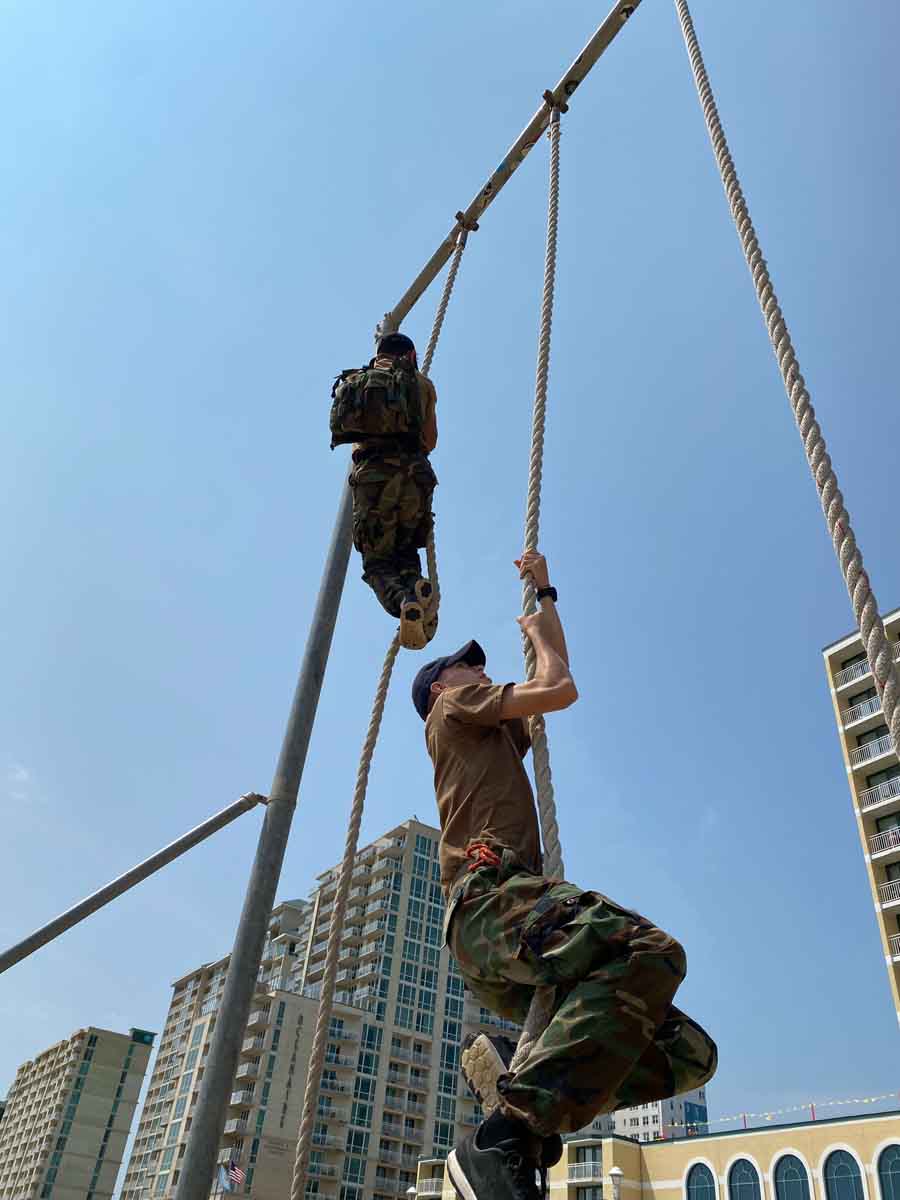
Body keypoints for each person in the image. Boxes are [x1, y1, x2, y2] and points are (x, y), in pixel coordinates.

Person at [411, 550, 717, 1200]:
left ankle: (522, 1102)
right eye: (467, 663)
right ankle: (507, 1134)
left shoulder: (490, 736)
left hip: (507, 932)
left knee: (688, 1053)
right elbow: (560, 686)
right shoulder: (453, 707)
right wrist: (540, 633)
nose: (480, 668)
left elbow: (551, 682)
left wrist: (546, 596)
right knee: (648, 951)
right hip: (492, 905)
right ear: (441, 687)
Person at [330, 331, 438, 649]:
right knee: (405, 549)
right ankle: (415, 585)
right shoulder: (422, 384)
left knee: (377, 562)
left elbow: (348, 436)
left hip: (374, 476)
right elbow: (430, 440)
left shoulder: (356, 381)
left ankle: (405, 603)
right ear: (412, 356)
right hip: (415, 477)